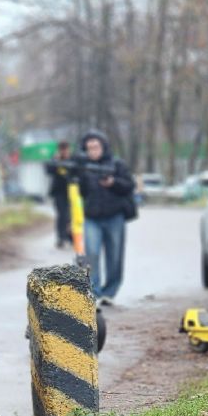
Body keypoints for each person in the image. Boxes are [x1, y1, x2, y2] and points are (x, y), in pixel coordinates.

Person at [76, 129, 134, 304]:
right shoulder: (84, 167)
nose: (93, 151)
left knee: (114, 256)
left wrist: (112, 182)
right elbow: (81, 192)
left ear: (103, 146)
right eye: (89, 148)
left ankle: (110, 292)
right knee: (92, 254)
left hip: (114, 216)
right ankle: (95, 292)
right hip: (92, 217)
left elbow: (129, 185)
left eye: (96, 147)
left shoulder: (117, 165)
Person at [45, 141, 74, 248]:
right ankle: (61, 238)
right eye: (62, 150)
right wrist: (55, 160)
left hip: (73, 191)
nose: (64, 152)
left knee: (72, 215)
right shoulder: (55, 160)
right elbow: (48, 170)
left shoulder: (73, 159)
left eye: (66, 149)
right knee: (62, 215)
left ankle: (71, 237)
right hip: (59, 192)